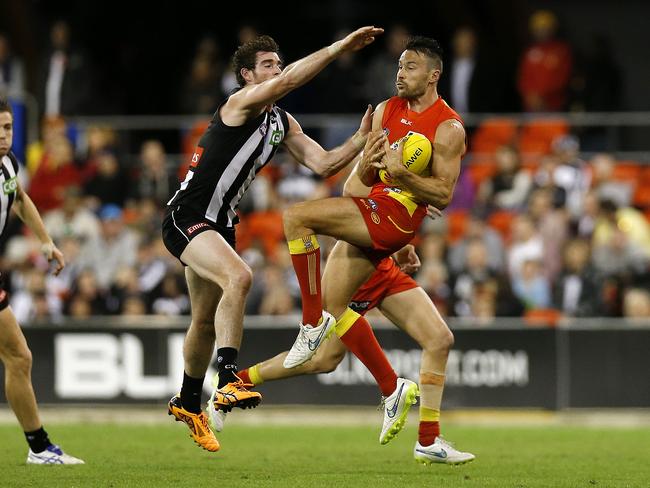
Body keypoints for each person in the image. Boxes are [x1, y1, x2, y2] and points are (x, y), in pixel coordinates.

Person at [161, 26, 384, 452]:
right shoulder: (239, 103)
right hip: (186, 216)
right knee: (240, 277)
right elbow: (290, 82)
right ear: (247, 75)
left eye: (278, 63)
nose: (277, 70)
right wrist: (338, 48)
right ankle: (227, 380)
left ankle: (189, 402)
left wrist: (360, 139)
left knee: (205, 321)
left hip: (219, 224)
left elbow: (322, 164)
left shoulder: (281, 122)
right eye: (267, 65)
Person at [279, 36, 473, 464]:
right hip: (377, 217)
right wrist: (371, 169)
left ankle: (314, 330)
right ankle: (427, 438)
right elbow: (355, 185)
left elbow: (443, 194)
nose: (400, 73)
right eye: (399, 66)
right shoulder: (386, 111)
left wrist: (403, 177)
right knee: (438, 338)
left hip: (395, 220)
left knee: (296, 218)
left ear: (433, 75)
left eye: (410, 67)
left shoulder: (448, 127)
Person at [209, 162, 475, 465]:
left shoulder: (414, 156)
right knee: (323, 358)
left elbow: (391, 207)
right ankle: (232, 386)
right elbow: (353, 191)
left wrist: (403, 243)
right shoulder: (386, 141)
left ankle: (428, 440)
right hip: (358, 266)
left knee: (439, 339)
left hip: (382, 263)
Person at [0, 99, 83, 465]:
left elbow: (19, 197)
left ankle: (39, 447)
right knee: (18, 356)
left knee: (19, 356)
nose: (4, 136)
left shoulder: (7, 165)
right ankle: (39, 447)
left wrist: (46, 241)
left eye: (8, 128)